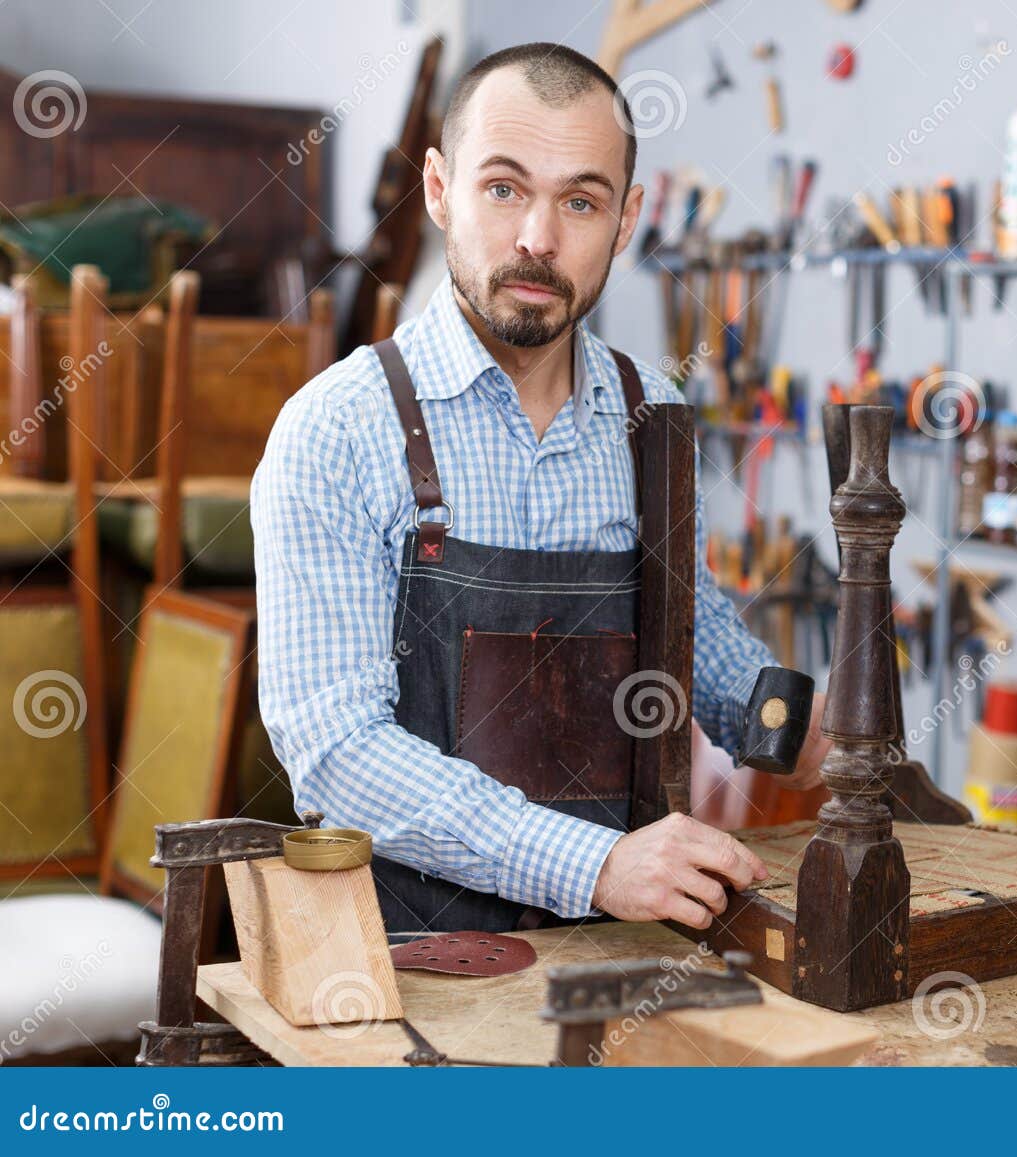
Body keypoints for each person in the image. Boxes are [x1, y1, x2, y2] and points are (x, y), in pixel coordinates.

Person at [252, 42, 826, 935]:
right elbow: (334, 752)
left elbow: (693, 635)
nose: (537, 240)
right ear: (440, 190)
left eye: (581, 200)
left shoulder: (652, 415)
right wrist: (591, 863)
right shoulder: (335, 429)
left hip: (620, 946)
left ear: (627, 219)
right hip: (409, 956)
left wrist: (807, 727)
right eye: (504, 188)